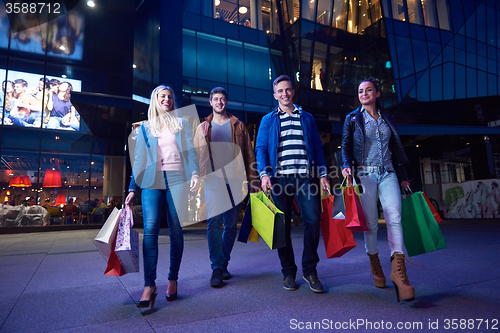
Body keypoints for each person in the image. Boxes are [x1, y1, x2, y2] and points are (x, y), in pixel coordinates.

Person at [125, 85, 200, 309]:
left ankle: (172, 279)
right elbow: (138, 159)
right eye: (162, 96)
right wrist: (132, 188)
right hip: (151, 182)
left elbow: (190, 152)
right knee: (150, 231)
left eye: (169, 96)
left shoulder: (182, 124)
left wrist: (194, 172)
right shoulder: (145, 128)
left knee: (176, 230)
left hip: (177, 180)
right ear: (155, 100)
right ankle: (149, 285)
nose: (166, 99)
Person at [340, 78, 414, 302]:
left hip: (388, 173)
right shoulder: (353, 118)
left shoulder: (388, 119)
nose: (364, 93)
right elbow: (345, 145)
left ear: (377, 93)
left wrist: (402, 177)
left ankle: (399, 272)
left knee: (394, 217)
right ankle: (375, 263)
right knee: (371, 224)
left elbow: (395, 148)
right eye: (360, 91)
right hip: (364, 175)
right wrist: (346, 166)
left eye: (368, 90)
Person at [255, 75, 330, 293]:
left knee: (313, 219)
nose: (284, 94)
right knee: (281, 227)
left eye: (288, 90)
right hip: (279, 179)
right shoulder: (268, 120)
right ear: (274, 94)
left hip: (305, 178)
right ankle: (288, 272)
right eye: (280, 91)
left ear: (293, 92)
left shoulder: (306, 118)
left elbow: (317, 146)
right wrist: (264, 174)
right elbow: (260, 148)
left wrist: (323, 174)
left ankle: (310, 270)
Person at [194, 87, 260, 288]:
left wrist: (253, 180)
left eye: (222, 99)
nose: (219, 102)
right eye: (215, 99)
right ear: (210, 102)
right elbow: (194, 156)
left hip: (234, 180)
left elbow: (249, 154)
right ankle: (216, 268)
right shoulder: (203, 127)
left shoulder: (239, 126)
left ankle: (223, 263)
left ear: (226, 102)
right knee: (214, 223)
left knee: (231, 225)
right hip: (213, 181)